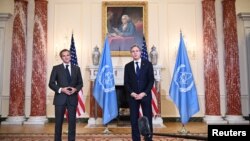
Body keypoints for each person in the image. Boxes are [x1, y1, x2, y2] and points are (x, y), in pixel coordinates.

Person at [49, 49, 83, 141]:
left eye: (68, 55)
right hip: (60, 99)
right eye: (64, 56)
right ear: (61, 57)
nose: (66, 57)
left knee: (72, 123)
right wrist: (61, 89)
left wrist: (75, 89)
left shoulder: (77, 68)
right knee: (58, 123)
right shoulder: (56, 68)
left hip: (72, 98)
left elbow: (80, 83)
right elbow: (51, 83)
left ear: (70, 56)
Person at [124, 45, 154, 141]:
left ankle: (148, 138)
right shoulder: (127, 66)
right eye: (133, 51)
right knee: (134, 120)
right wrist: (132, 93)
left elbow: (151, 81)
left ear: (140, 52)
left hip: (145, 96)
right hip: (133, 97)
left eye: (137, 51)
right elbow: (126, 83)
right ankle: (136, 139)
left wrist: (143, 93)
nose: (135, 53)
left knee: (148, 119)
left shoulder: (148, 64)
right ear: (131, 53)